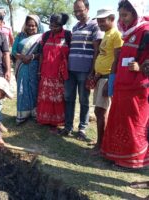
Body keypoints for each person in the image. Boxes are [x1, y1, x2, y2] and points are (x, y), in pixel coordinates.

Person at [101, 0, 149, 168]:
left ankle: (131, 160)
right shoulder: (127, 33)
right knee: (119, 121)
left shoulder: (146, 31)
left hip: (137, 88)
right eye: (121, 15)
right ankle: (117, 155)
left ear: (135, 13)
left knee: (133, 124)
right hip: (123, 86)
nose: (123, 19)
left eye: (126, 15)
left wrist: (141, 67)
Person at [60, 0, 104, 141]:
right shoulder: (75, 27)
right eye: (75, 11)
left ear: (87, 8)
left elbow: (97, 50)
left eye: (80, 10)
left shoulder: (95, 25)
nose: (78, 13)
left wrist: (92, 70)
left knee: (84, 100)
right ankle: (68, 127)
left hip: (85, 71)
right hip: (71, 70)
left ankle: (82, 129)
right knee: (68, 98)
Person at [90, 8, 123, 154]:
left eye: (102, 20)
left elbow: (117, 59)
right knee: (99, 112)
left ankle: (100, 145)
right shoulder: (106, 35)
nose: (100, 23)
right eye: (98, 21)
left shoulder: (116, 34)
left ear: (112, 18)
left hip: (107, 78)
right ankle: (101, 141)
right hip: (100, 77)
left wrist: (111, 80)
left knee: (101, 111)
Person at [36, 13, 71, 132]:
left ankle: (55, 122)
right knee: (45, 96)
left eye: (56, 26)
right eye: (51, 25)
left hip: (59, 74)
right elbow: (41, 54)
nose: (53, 28)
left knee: (57, 97)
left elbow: (70, 54)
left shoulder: (67, 36)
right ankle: (44, 119)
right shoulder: (45, 36)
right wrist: (39, 70)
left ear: (62, 25)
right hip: (46, 72)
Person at [12, 15, 43, 125]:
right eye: (29, 25)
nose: (31, 28)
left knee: (34, 89)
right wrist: (22, 57)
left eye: (33, 26)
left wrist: (32, 56)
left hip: (34, 66)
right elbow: (14, 51)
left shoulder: (41, 37)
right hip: (22, 66)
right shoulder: (20, 36)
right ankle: (22, 115)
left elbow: (42, 53)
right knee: (22, 89)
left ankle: (34, 114)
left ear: (37, 26)